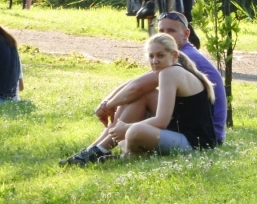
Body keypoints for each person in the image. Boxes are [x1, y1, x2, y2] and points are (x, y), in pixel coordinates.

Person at [60, 11, 226, 165]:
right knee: (140, 104)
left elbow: (157, 114)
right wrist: (109, 105)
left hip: (197, 142)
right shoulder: (173, 64)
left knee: (135, 131)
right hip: (182, 128)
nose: (154, 61)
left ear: (174, 53)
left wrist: (122, 123)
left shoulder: (172, 69)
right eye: (151, 56)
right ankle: (97, 150)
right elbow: (135, 86)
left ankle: (110, 151)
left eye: (160, 56)